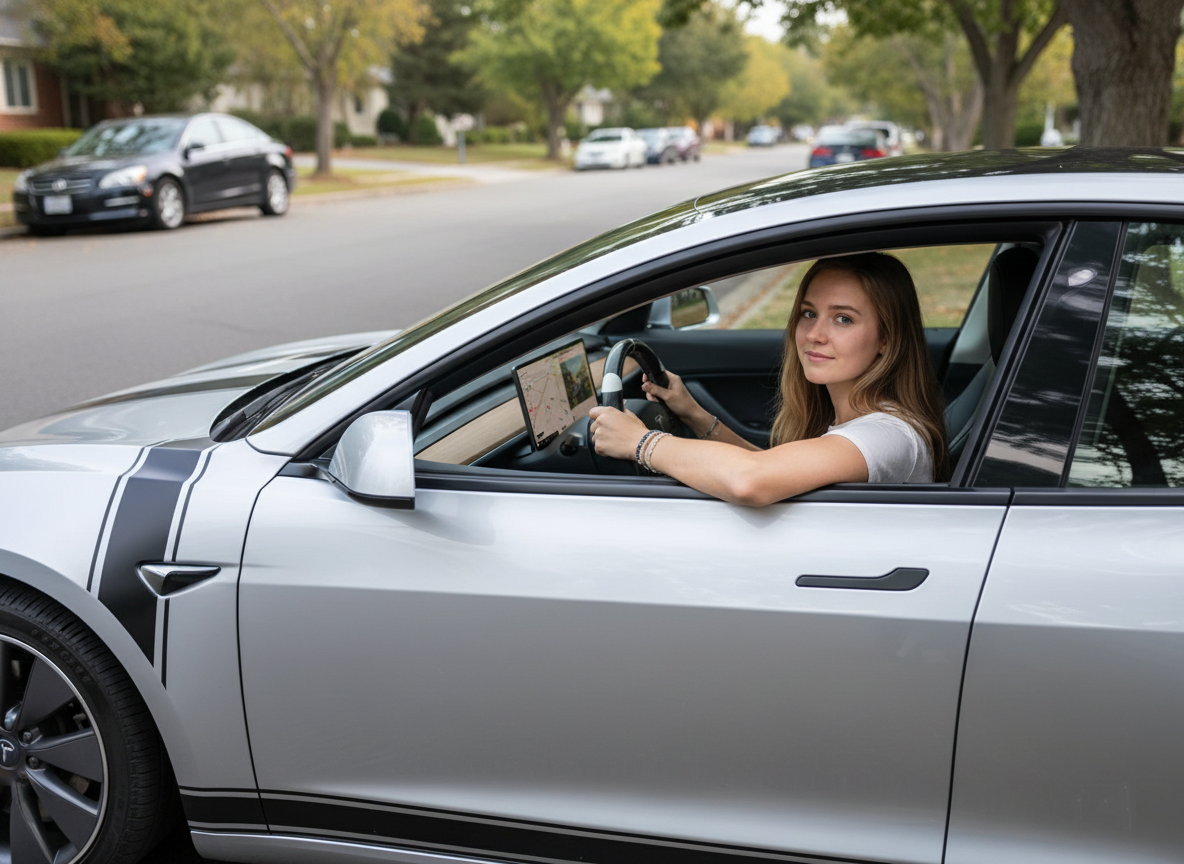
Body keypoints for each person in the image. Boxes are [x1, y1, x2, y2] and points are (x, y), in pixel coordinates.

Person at [589, 252, 950, 506]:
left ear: (887, 339)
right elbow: (774, 467)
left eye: (843, 319)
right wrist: (693, 414)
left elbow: (751, 479)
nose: (814, 334)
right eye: (809, 313)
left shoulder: (886, 436)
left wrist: (640, 442)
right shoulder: (856, 420)